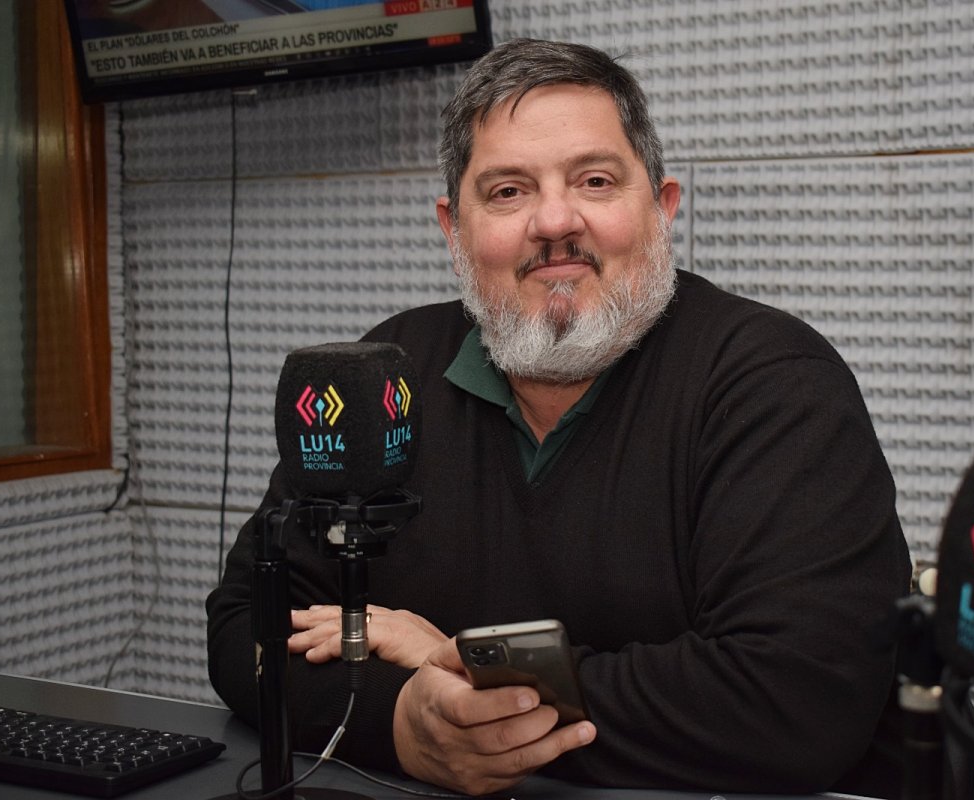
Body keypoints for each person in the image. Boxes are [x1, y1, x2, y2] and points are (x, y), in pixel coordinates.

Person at [207, 38, 910, 797]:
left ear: (662, 208)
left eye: (595, 180)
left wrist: (467, 669)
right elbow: (246, 627)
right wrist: (403, 717)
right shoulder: (387, 377)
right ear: (453, 229)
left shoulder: (774, 383)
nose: (553, 220)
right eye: (508, 191)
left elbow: (796, 698)